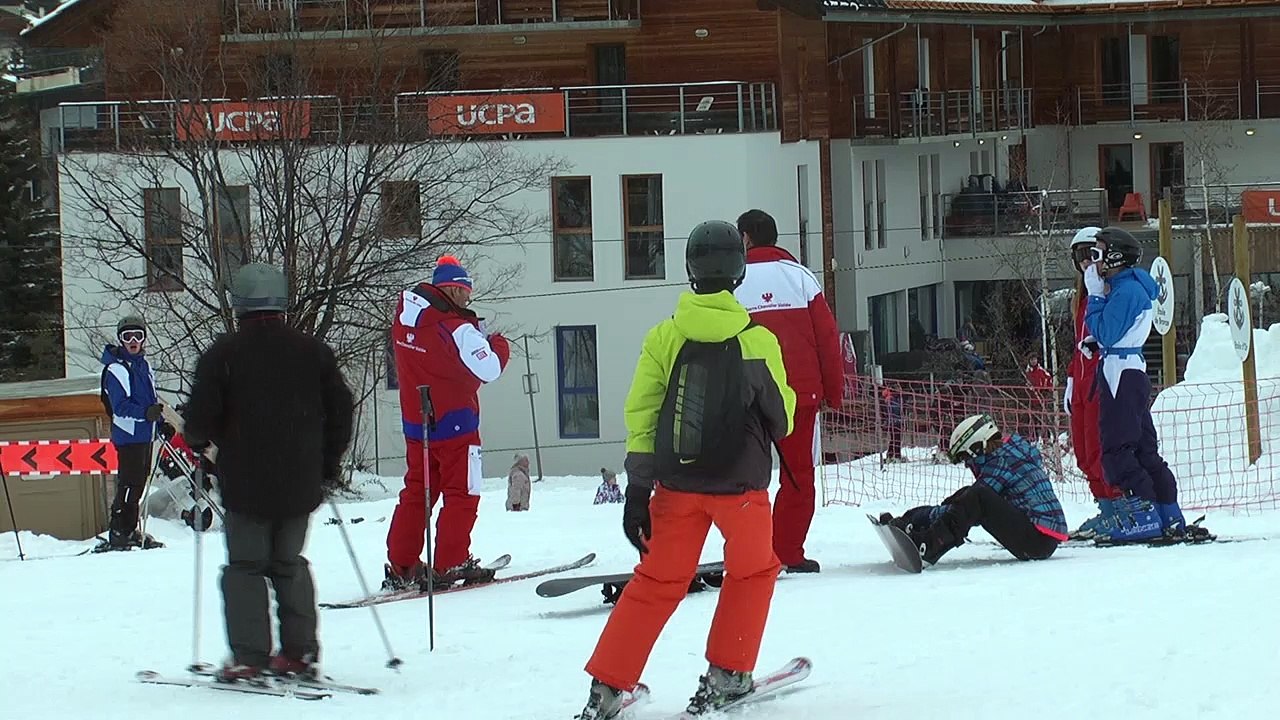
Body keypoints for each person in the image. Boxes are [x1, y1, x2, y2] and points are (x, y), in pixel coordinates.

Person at [574, 220, 795, 720]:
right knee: (753, 571)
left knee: (654, 583)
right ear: (739, 272)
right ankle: (727, 676)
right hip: (741, 491)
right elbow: (784, 419)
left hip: (675, 488)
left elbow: (643, 415)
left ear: (690, 271)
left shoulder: (663, 337)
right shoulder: (757, 340)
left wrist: (637, 490)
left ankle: (607, 688)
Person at [182, 263, 355, 681]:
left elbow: (199, 422)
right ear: (282, 301)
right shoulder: (312, 351)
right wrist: (326, 464)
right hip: (300, 481)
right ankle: (300, 654)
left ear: (239, 304)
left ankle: (250, 657)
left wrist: (199, 441)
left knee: (245, 567)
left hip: (246, 481)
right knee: (289, 564)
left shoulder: (223, 355)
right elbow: (342, 410)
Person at [385, 255, 511, 589]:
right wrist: (498, 344)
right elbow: (490, 369)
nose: (468, 301)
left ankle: (402, 564)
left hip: (418, 424)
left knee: (417, 493)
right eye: (466, 294)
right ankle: (451, 562)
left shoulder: (403, 321)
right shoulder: (458, 329)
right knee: (462, 494)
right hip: (457, 425)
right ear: (454, 291)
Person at [733, 209, 842, 574]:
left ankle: (749, 549)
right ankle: (788, 551)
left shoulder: (734, 281)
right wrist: (833, 391)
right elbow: (828, 339)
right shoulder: (801, 278)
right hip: (800, 394)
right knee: (798, 476)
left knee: (747, 477)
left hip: (749, 396)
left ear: (746, 238)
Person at [1084, 227, 1206, 542]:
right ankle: (1167, 511)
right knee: (1141, 446)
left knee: (1117, 447)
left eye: (1097, 255)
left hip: (1120, 374)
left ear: (1114, 258)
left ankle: (1144, 514)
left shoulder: (1126, 291)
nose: (1092, 262)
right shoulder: (1129, 288)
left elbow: (1109, 331)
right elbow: (1119, 333)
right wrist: (1097, 343)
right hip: (1125, 368)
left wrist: (1095, 295)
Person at [884, 414, 1067, 566]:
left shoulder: (1001, 463)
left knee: (976, 497)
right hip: (1040, 535)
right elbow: (963, 507)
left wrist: (921, 515)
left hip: (1037, 540)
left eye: (965, 456)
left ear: (977, 447)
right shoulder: (1008, 453)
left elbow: (970, 507)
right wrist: (916, 518)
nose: (966, 464)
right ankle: (917, 530)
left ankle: (928, 545)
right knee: (968, 495)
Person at [1065, 226, 1125, 538]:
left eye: (1092, 254)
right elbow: (1077, 345)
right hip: (1083, 384)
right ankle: (1104, 507)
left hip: (1102, 381)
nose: (1087, 262)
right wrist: (1071, 380)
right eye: (1080, 256)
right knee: (1083, 449)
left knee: (1102, 448)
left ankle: (1118, 507)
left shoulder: (1109, 292)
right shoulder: (1082, 299)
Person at [98, 314, 165, 551]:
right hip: (129, 435)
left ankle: (130, 528)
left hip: (145, 433)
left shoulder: (143, 366)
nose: (133, 341)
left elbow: (151, 399)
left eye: (138, 336)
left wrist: (159, 420)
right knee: (129, 483)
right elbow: (120, 408)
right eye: (128, 337)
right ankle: (119, 530)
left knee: (138, 483)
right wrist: (146, 414)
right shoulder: (116, 369)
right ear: (121, 340)